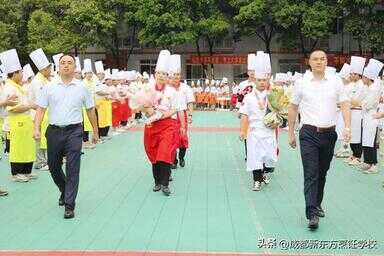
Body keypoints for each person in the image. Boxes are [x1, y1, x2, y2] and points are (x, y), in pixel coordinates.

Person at [288, 50, 351, 230]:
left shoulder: (335, 81)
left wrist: (347, 126)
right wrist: (290, 132)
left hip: (329, 134)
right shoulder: (301, 82)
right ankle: (312, 212)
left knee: (322, 173)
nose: (319, 62)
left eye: (322, 59)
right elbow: (293, 108)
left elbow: (345, 103)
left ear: (326, 61)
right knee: (311, 173)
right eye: (315, 59)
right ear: (309, 62)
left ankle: (317, 203)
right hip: (308, 133)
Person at [34, 54, 99, 219]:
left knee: (72, 168)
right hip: (54, 131)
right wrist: (36, 129)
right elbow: (41, 109)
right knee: (53, 166)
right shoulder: (49, 87)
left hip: (74, 131)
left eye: (70, 63)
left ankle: (70, 205)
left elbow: (91, 109)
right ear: (58, 66)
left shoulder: (82, 87)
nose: (66, 66)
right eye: (63, 63)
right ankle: (64, 190)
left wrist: (95, 131)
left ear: (75, 67)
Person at [142, 50, 178, 196]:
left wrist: (163, 115)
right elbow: (142, 106)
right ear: (155, 74)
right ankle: (157, 181)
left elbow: (174, 109)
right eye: (159, 73)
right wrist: (149, 111)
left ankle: (165, 184)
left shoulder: (171, 91)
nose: (161, 76)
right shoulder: (147, 89)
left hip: (167, 126)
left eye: (164, 74)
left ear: (167, 76)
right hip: (151, 126)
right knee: (154, 153)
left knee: (165, 153)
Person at [239, 53, 277, 191]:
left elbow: (279, 112)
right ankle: (257, 180)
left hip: (269, 131)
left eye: (264, 80)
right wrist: (243, 131)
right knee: (255, 157)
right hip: (254, 132)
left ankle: (265, 172)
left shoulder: (272, 96)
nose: (262, 82)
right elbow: (244, 115)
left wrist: (277, 121)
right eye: (259, 80)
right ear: (255, 80)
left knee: (270, 157)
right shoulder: (248, 97)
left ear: (267, 81)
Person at [0, 49, 36, 183]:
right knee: (17, 147)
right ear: (14, 73)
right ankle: (16, 173)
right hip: (17, 122)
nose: (22, 74)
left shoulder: (17, 86)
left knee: (27, 145)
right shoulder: (10, 88)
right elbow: (13, 108)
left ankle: (26, 171)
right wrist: (31, 106)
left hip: (25, 121)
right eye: (20, 71)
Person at [29, 48, 52, 171]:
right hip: (37, 113)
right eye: (49, 68)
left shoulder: (45, 79)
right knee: (39, 137)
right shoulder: (38, 81)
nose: (51, 70)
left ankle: (45, 160)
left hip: (45, 113)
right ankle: (40, 162)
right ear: (44, 69)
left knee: (44, 137)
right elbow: (40, 100)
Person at [359, 59, 383, 173]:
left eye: (364, 76)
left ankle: (373, 164)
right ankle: (368, 161)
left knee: (371, 141)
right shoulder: (368, 88)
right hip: (366, 116)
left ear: (368, 77)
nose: (362, 78)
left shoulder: (374, 89)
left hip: (372, 116)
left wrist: (361, 103)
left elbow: (368, 104)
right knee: (366, 140)